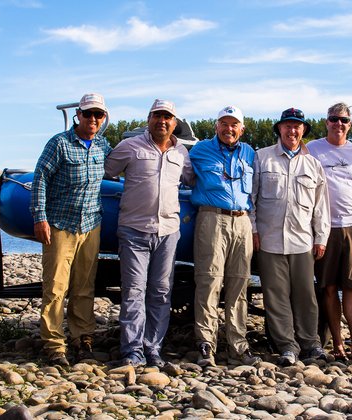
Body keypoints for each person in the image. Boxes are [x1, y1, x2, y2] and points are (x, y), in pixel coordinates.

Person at [104, 99, 195, 367]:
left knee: (161, 292)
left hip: (168, 232)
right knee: (133, 291)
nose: (162, 121)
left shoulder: (182, 153)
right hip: (134, 230)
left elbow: (192, 180)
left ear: (174, 123)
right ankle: (132, 350)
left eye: (167, 117)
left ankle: (152, 347)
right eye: (157, 116)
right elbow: (106, 171)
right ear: (149, 119)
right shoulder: (129, 146)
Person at [31, 93, 112, 366]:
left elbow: (119, 170)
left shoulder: (103, 145)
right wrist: (40, 218)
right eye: (88, 113)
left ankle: (82, 339)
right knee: (55, 287)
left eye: (98, 115)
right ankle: (54, 345)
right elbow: (40, 179)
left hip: (91, 225)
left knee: (84, 286)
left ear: (103, 118)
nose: (92, 119)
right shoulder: (59, 143)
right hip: (60, 225)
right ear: (78, 114)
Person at [250, 108, 331, 367]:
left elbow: (321, 206)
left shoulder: (313, 164)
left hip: (302, 241)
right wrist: (253, 230)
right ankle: (286, 346)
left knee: (306, 294)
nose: (292, 130)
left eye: (297, 126)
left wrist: (321, 238)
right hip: (270, 240)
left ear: (303, 131)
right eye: (287, 126)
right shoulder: (262, 158)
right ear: (280, 129)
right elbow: (250, 199)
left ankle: (310, 343)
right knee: (276, 296)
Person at [189, 105, 261, 367]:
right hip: (211, 218)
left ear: (241, 128)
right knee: (209, 282)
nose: (229, 129)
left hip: (242, 221)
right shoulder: (199, 151)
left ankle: (237, 346)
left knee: (239, 285)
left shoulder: (250, 153)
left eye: (234, 125)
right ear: (216, 126)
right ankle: (206, 344)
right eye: (224, 123)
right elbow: (183, 177)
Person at [307, 102, 352, 361]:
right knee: (328, 287)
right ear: (326, 122)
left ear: (350, 124)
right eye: (334, 119)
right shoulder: (312, 149)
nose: (339, 124)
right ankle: (337, 344)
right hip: (324, 226)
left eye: (344, 120)